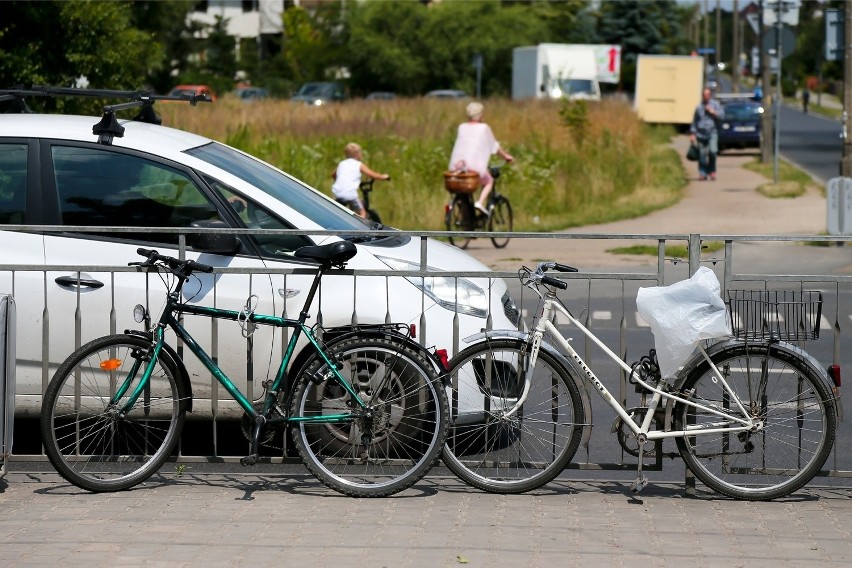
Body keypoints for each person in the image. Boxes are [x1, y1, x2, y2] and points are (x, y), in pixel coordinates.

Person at [449, 101, 514, 214]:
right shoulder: (484, 128)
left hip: (457, 167)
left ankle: (465, 216)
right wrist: (506, 156)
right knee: (489, 181)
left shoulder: (462, 127)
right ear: (481, 115)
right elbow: (494, 146)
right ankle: (480, 202)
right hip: (475, 167)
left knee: (465, 189)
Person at [331, 142, 389, 218]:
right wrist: (384, 176)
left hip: (337, 192)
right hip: (350, 194)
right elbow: (373, 175)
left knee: (341, 210)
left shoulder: (342, 163)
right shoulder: (358, 164)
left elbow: (333, 175)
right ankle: (361, 228)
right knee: (362, 213)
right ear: (357, 154)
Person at [689, 87, 724, 181]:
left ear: (710, 95)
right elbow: (695, 121)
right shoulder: (699, 107)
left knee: (712, 151)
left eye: (707, 95)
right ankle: (702, 173)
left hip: (712, 132)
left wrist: (713, 112)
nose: (706, 97)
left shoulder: (715, 105)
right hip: (700, 133)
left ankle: (712, 170)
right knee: (702, 154)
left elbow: (722, 116)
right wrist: (692, 133)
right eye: (704, 95)